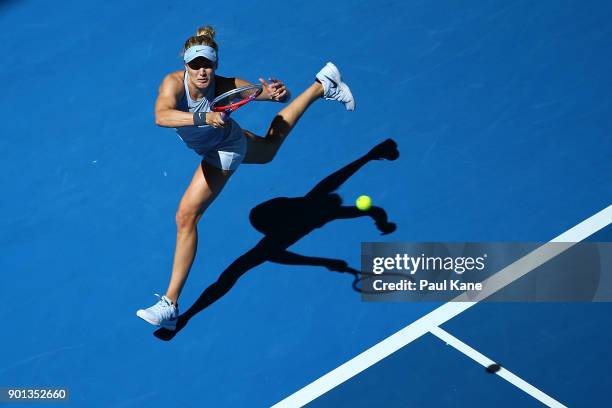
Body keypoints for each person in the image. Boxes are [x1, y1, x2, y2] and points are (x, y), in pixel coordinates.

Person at [136, 25, 355, 330]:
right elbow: (162, 116)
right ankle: (322, 85)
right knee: (268, 150)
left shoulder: (227, 85)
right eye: (195, 64)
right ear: (184, 65)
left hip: (223, 148)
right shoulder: (172, 84)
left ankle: (170, 305)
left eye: (208, 64)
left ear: (216, 64)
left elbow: (266, 93)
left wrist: (280, 93)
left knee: (186, 217)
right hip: (224, 137)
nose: (202, 71)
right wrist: (204, 116)